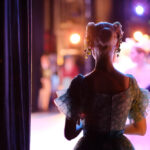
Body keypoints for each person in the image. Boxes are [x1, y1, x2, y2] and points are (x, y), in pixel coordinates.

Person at [54, 22, 150, 150]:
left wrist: (85, 124)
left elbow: (69, 134)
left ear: (90, 44)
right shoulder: (129, 83)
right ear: (116, 44)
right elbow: (141, 129)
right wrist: (116, 129)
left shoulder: (80, 85)